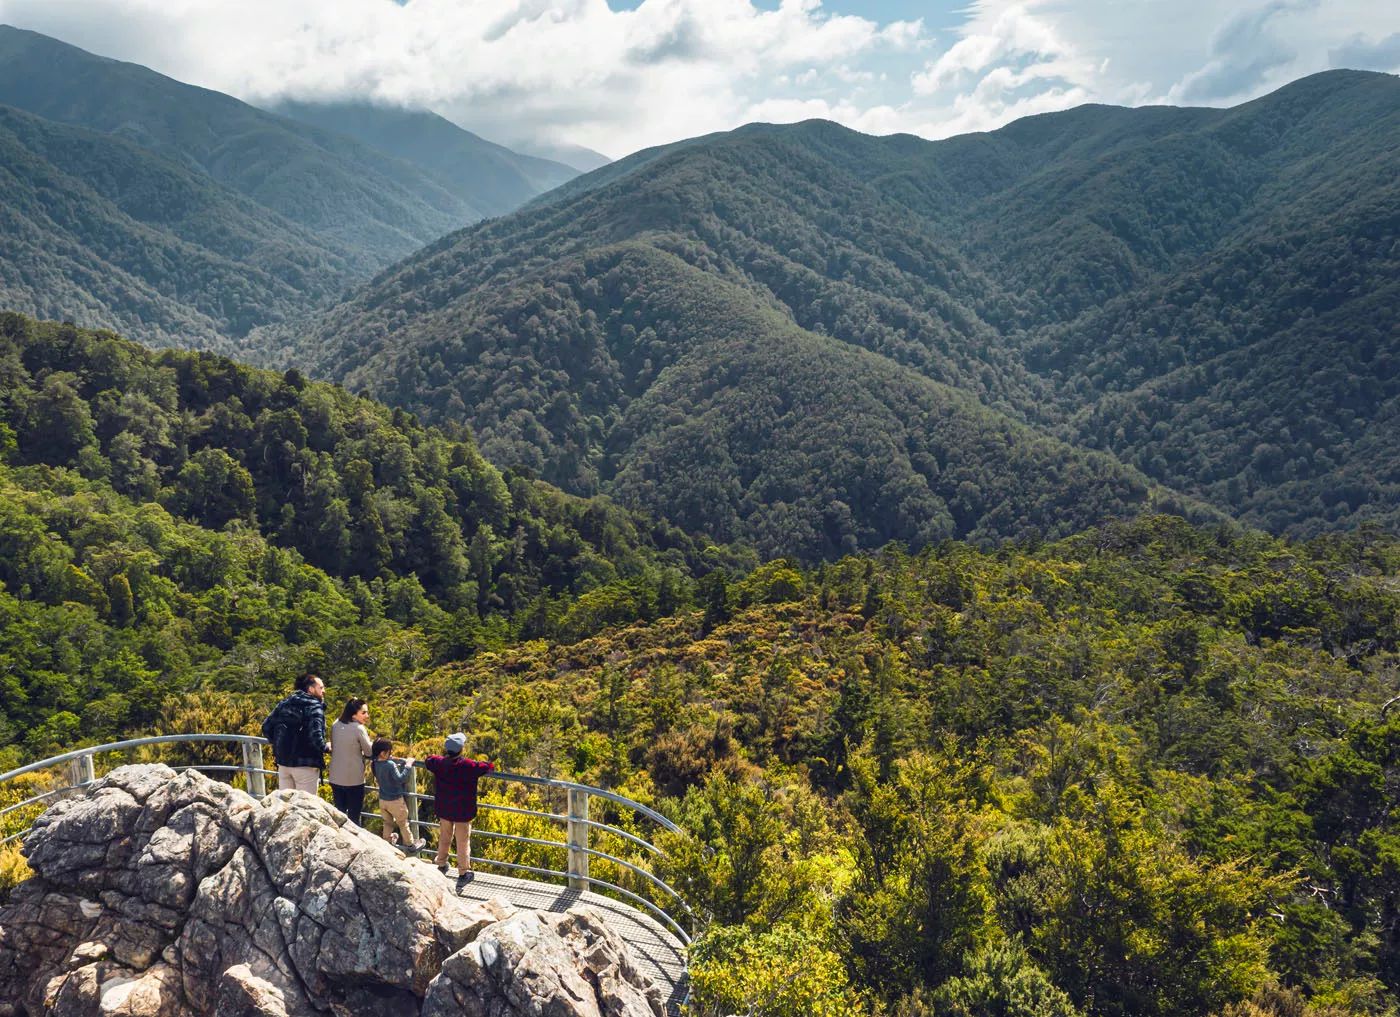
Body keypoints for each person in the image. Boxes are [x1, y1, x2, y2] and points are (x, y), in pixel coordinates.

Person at [423, 732, 495, 882]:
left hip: (445, 809)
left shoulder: (440, 763)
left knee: (444, 837)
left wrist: (436, 757)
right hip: (463, 811)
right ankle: (463, 872)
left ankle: (441, 863)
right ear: (461, 749)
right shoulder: (468, 766)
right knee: (462, 842)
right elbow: (488, 767)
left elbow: (428, 760)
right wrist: (488, 764)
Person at [260, 673, 327, 794]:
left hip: (284, 763)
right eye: (321, 688)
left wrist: (279, 743)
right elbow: (316, 737)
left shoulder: (285, 703)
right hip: (306, 766)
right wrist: (326, 747)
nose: (324, 691)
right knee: (305, 808)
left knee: (286, 806)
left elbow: (266, 727)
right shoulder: (314, 707)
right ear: (311, 689)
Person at [371, 738, 426, 852]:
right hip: (395, 800)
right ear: (383, 753)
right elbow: (400, 778)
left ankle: (386, 841)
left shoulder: (375, 763)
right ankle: (411, 845)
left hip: (383, 800)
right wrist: (408, 765)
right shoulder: (390, 764)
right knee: (403, 823)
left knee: (388, 822)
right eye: (389, 752)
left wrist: (389, 759)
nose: (390, 754)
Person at [329, 698, 373, 825]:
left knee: (339, 816)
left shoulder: (336, 724)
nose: (367, 716)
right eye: (364, 713)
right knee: (354, 818)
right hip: (354, 780)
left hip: (336, 777)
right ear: (354, 714)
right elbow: (369, 752)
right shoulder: (359, 728)